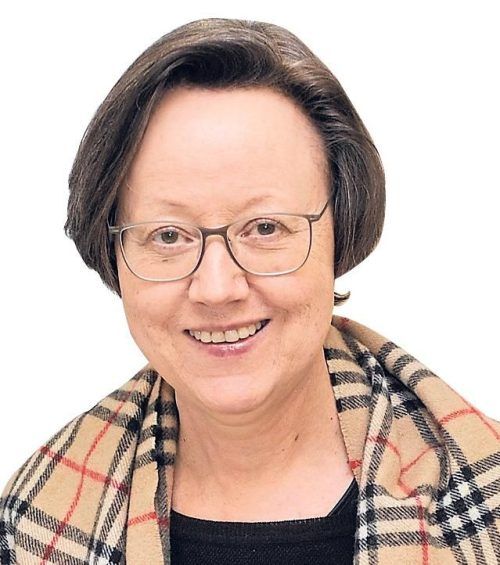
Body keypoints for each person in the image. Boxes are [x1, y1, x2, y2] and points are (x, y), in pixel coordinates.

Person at [1, 16, 498, 565]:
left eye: (264, 228)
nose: (217, 288)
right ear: (113, 253)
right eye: (168, 235)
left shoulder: (485, 499)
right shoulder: (31, 525)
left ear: (342, 230)